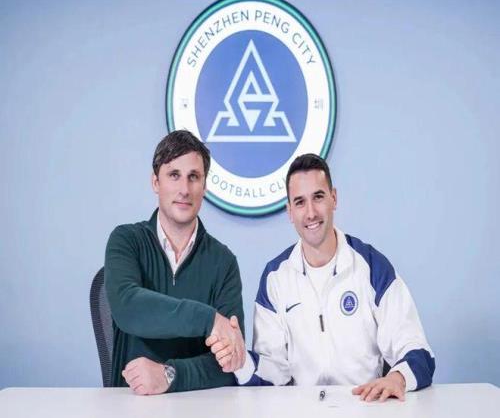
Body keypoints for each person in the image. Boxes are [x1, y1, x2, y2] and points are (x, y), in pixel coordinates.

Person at [207, 153, 435, 402]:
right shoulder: (275, 278)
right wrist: (241, 361)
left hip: (366, 408)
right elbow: (274, 372)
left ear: (333, 198)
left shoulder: (372, 267)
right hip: (301, 412)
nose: (311, 213)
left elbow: (418, 350)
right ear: (289, 211)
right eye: (300, 202)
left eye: (318, 197)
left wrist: (397, 378)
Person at [104, 130, 245, 395]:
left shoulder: (223, 262)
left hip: (201, 408)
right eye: (174, 175)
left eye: (194, 177)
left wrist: (170, 375)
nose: (184, 190)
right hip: (131, 405)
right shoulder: (126, 241)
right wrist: (209, 320)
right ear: (155, 182)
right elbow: (128, 306)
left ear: (204, 186)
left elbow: (230, 363)